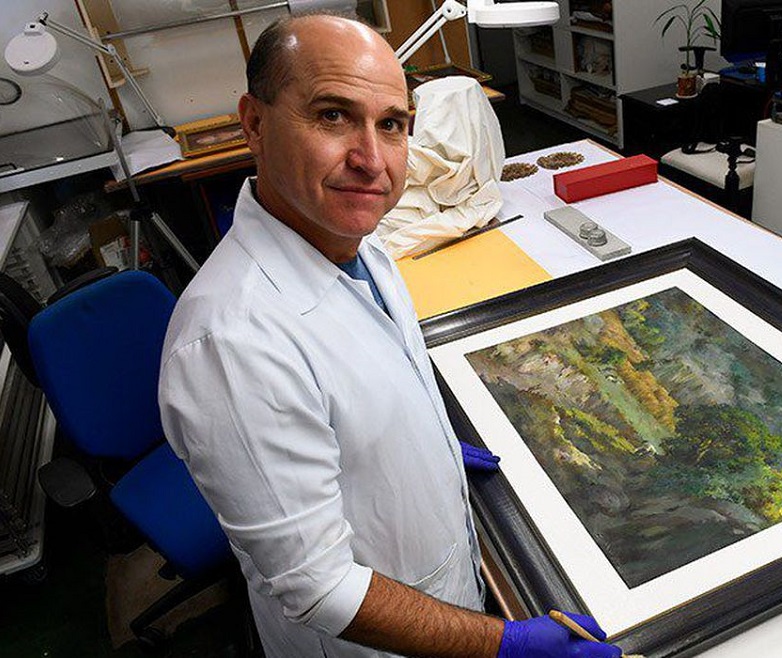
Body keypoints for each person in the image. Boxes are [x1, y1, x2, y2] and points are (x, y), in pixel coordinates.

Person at [158, 13, 622, 658]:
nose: (371, 161)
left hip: (441, 572)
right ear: (254, 123)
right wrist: (507, 644)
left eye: (392, 124)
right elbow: (322, 590)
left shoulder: (361, 245)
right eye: (332, 116)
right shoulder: (231, 344)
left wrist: (421, 445)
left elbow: (370, 380)